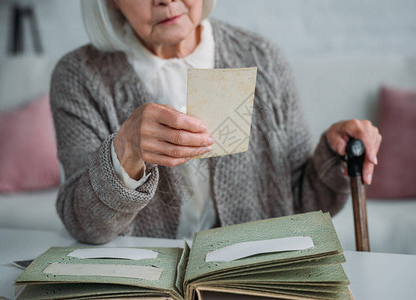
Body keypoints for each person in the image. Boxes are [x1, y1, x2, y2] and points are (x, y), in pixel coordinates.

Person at [50, 0, 381, 244]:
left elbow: (303, 204)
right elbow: (85, 226)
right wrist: (124, 151)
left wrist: (334, 154)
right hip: (146, 283)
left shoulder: (262, 58)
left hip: (249, 278)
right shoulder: (79, 75)